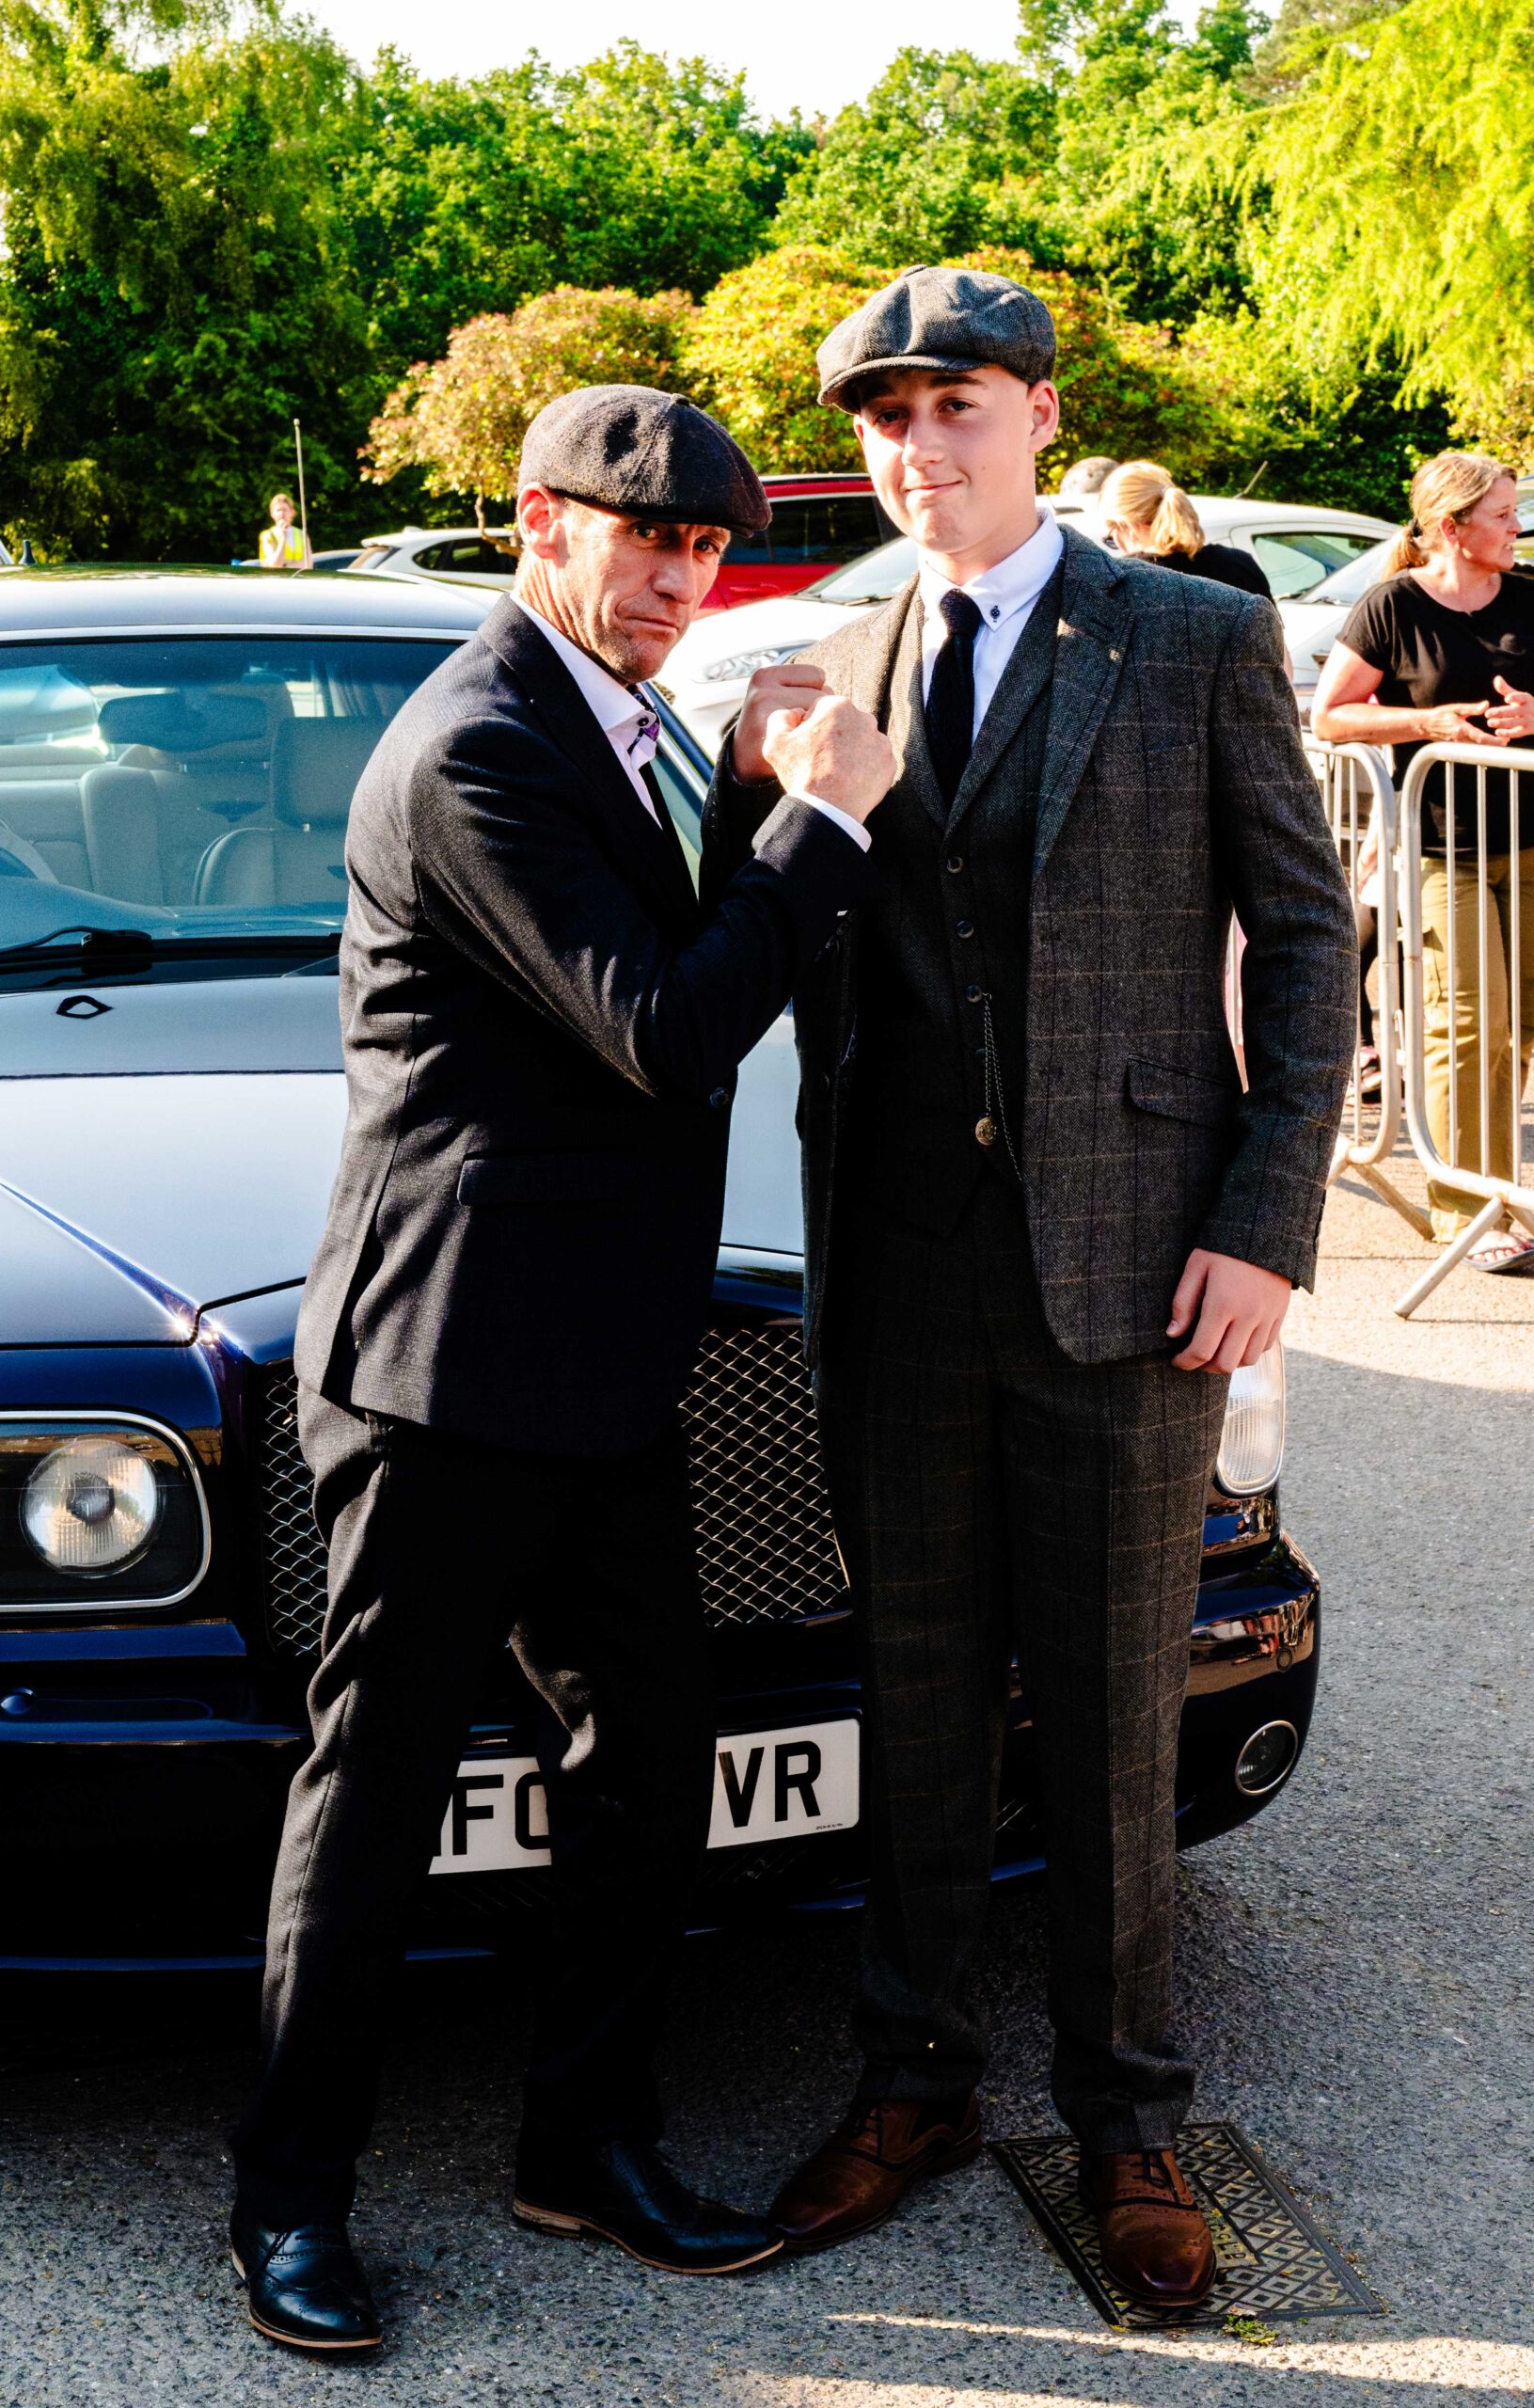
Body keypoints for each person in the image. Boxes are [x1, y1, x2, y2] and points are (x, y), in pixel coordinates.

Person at [703, 264, 1354, 2310]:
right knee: (909, 1699)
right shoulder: (831, 658)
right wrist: (753, 785)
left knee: (1105, 1716)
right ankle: (909, 2082)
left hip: (1131, 1271)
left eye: (955, 407)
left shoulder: (1187, 633)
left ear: (1041, 417)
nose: (919, 449)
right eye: (885, 418)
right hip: (896, 1274)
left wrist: (1262, 1220)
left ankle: (1126, 2114)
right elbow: (753, 943)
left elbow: (1305, 935)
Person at [228, 385, 891, 2354]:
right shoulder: (476, 746)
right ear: (538, 522)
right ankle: (287, 2199)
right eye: (642, 537)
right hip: (444, 1364)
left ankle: (580, 2140)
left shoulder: (626, 719)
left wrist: (751, 799)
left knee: (650, 1753)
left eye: (703, 545)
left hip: (604, 1356)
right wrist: (827, 822)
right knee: (375, 1793)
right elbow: (663, 1026)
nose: (678, 578)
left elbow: (670, 932)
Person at [1314, 451, 1534, 1272]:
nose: (1517, 527)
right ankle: (1467, 1214)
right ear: (1451, 527)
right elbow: (1331, 717)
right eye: (1502, 515)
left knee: (1518, 1027)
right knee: (1468, 1025)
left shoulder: (1528, 596)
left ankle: (1499, 1190)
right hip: (1446, 849)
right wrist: (1428, 723)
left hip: (1530, 841)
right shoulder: (1393, 606)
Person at [1100, 459, 1273, 598]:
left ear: (1126, 525)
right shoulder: (1239, 565)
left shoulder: (1118, 587)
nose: (1117, 544)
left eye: (1111, 536)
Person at [259, 493, 308, 570]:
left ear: (292, 512)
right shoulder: (267, 535)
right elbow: (275, 566)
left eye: (285, 509)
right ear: (272, 514)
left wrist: (285, 567)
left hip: (298, 577)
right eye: (278, 510)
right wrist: (283, 537)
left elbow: (308, 564)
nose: (282, 513)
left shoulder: (301, 534)